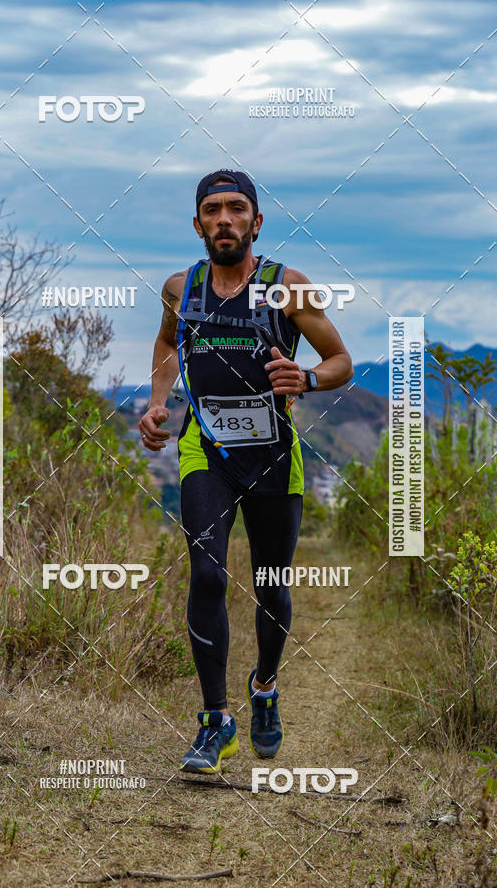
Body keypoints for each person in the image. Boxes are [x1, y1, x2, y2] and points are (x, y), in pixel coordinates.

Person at [139, 169, 353, 774]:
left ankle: (263, 688)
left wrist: (308, 377)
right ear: (200, 223)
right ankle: (215, 723)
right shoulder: (181, 288)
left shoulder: (288, 288)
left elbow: (341, 362)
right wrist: (159, 402)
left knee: (269, 585)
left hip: (274, 456)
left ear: (256, 223)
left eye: (237, 209)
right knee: (207, 575)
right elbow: (165, 344)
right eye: (213, 210)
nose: (224, 219)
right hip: (204, 449)